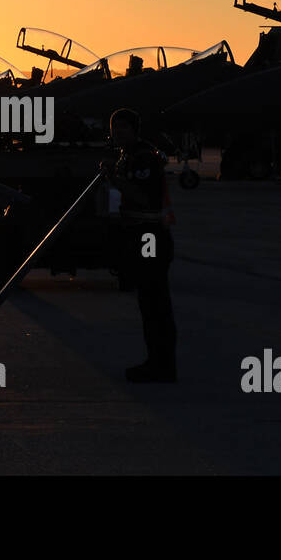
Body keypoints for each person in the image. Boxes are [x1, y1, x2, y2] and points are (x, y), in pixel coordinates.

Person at [105, 108, 177, 383]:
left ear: (135, 129)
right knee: (150, 305)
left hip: (151, 238)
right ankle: (157, 362)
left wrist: (115, 179)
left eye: (123, 128)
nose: (117, 133)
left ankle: (162, 366)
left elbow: (143, 197)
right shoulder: (129, 155)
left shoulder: (143, 157)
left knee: (156, 305)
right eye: (114, 128)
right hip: (140, 236)